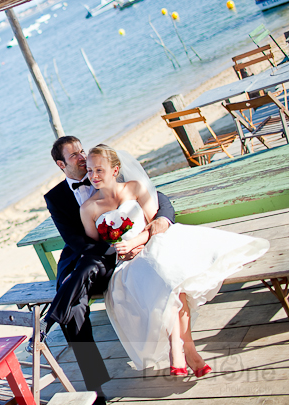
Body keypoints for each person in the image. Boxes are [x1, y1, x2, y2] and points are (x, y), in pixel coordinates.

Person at [80, 144, 269, 376]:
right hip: (126, 262)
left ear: (115, 170)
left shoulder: (135, 188)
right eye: (89, 171)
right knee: (166, 282)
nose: (93, 176)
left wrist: (136, 243)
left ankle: (179, 349)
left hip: (152, 244)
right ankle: (186, 350)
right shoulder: (88, 208)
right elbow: (95, 248)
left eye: (99, 170)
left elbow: (155, 224)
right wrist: (120, 250)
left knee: (171, 279)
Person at [42, 136, 176, 404]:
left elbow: (156, 196)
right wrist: (114, 247)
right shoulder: (55, 198)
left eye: (82, 151)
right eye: (74, 156)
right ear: (61, 164)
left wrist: (161, 220)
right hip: (87, 256)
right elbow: (75, 241)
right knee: (75, 310)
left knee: (79, 282)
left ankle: (51, 314)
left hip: (117, 254)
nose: (82, 158)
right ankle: (96, 387)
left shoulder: (107, 170)